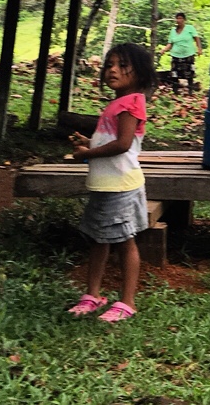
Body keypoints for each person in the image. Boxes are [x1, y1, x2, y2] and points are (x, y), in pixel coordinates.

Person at [66, 42, 158, 323]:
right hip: (106, 184)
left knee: (125, 242)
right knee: (98, 239)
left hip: (121, 186)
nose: (112, 70)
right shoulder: (118, 102)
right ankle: (92, 295)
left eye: (122, 65)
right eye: (109, 65)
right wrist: (88, 142)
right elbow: (111, 140)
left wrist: (86, 154)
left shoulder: (132, 103)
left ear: (140, 73)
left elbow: (122, 144)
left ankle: (127, 302)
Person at [159, 12, 203, 95]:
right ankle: (175, 90)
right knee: (174, 73)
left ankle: (190, 90)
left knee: (189, 73)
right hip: (176, 55)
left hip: (188, 54)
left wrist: (199, 48)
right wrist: (164, 50)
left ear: (184, 20)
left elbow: (197, 38)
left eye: (180, 18)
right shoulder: (173, 31)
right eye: (177, 18)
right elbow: (170, 43)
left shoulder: (190, 28)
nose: (178, 20)